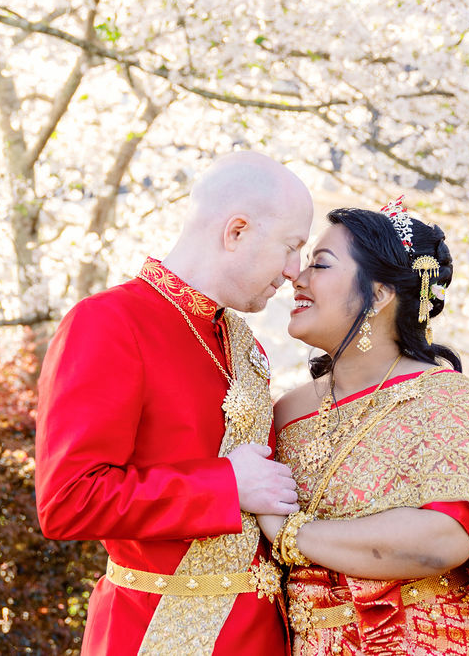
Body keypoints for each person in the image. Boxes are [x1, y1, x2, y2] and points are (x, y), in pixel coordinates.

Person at [35, 151, 315, 655]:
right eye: (291, 247)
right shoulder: (109, 322)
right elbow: (68, 501)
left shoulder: (241, 340)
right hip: (150, 633)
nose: (296, 271)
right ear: (237, 231)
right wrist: (227, 484)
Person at [260, 201, 469, 655]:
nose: (296, 278)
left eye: (320, 264)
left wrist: (291, 534)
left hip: (428, 641)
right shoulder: (286, 411)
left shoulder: (442, 396)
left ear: (378, 295)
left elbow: (443, 539)